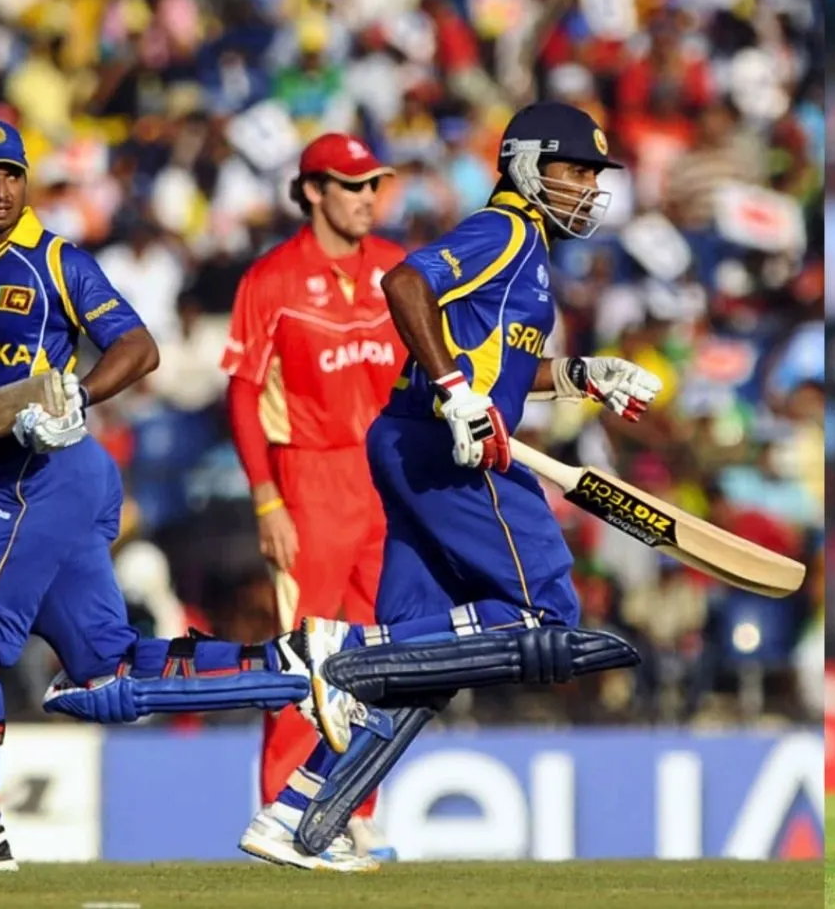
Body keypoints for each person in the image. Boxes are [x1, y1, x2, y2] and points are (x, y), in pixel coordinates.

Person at [0, 118, 331, 872]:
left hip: (51, 471)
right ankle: (292, 669)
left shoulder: (55, 261)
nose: (0, 189)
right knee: (105, 672)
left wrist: (77, 394)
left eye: (12, 174)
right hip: (19, 476)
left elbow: (139, 347)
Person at [234, 102, 664, 870]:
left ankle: (296, 814)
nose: (589, 188)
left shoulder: (531, 250)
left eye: (595, 175)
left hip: (413, 441)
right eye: (574, 170)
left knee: (417, 671)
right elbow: (406, 283)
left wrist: (579, 373)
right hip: (450, 449)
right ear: (527, 165)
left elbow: (500, 363)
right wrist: (454, 389)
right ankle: (343, 651)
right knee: (545, 613)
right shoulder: (505, 231)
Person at [222, 132, 406, 868]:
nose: (366, 198)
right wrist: (267, 500)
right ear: (311, 191)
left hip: (387, 478)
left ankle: (355, 810)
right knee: (308, 657)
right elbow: (242, 393)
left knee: (378, 653)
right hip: (309, 478)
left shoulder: (396, 267)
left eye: (372, 185)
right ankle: (287, 814)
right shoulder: (272, 279)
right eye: (351, 185)